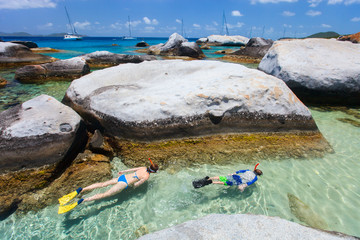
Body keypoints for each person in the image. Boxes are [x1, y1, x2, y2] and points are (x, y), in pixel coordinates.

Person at [58, 158, 159, 214]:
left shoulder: (142, 168)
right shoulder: (146, 176)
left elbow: (130, 169)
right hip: (124, 184)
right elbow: (137, 184)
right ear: (153, 171)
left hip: (122, 177)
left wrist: (122, 171)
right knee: (104, 195)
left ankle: (82, 189)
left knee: (102, 184)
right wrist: (132, 189)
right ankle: (83, 200)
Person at [193, 163, 262, 192]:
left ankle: (208, 178)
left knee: (222, 177)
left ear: (254, 170)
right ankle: (212, 182)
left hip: (235, 176)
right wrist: (242, 187)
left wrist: (233, 173)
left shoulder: (248, 170)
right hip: (238, 181)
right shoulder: (255, 178)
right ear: (258, 175)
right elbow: (249, 183)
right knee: (225, 183)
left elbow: (240, 171)